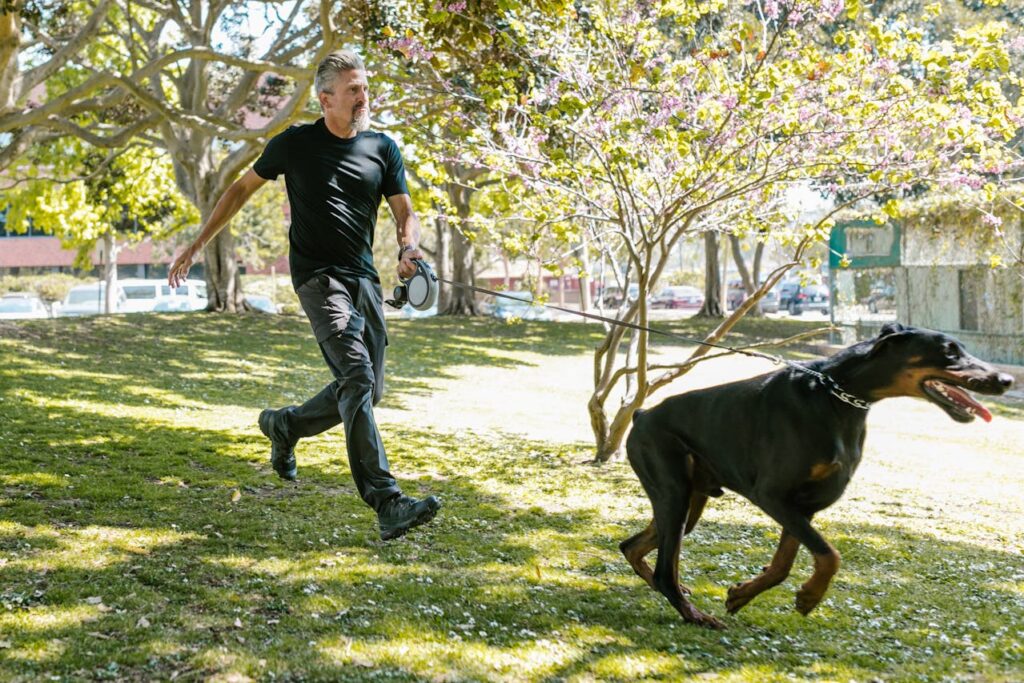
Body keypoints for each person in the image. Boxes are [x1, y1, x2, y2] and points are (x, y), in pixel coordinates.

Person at [168, 49, 440, 541]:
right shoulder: (294, 144)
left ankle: (285, 425)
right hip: (318, 278)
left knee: (366, 390)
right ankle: (387, 502)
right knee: (356, 375)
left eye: (364, 87)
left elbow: (405, 210)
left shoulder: (383, 148)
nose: (363, 96)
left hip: (363, 280)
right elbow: (238, 190)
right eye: (353, 89)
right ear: (326, 98)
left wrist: (408, 247)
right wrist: (196, 244)